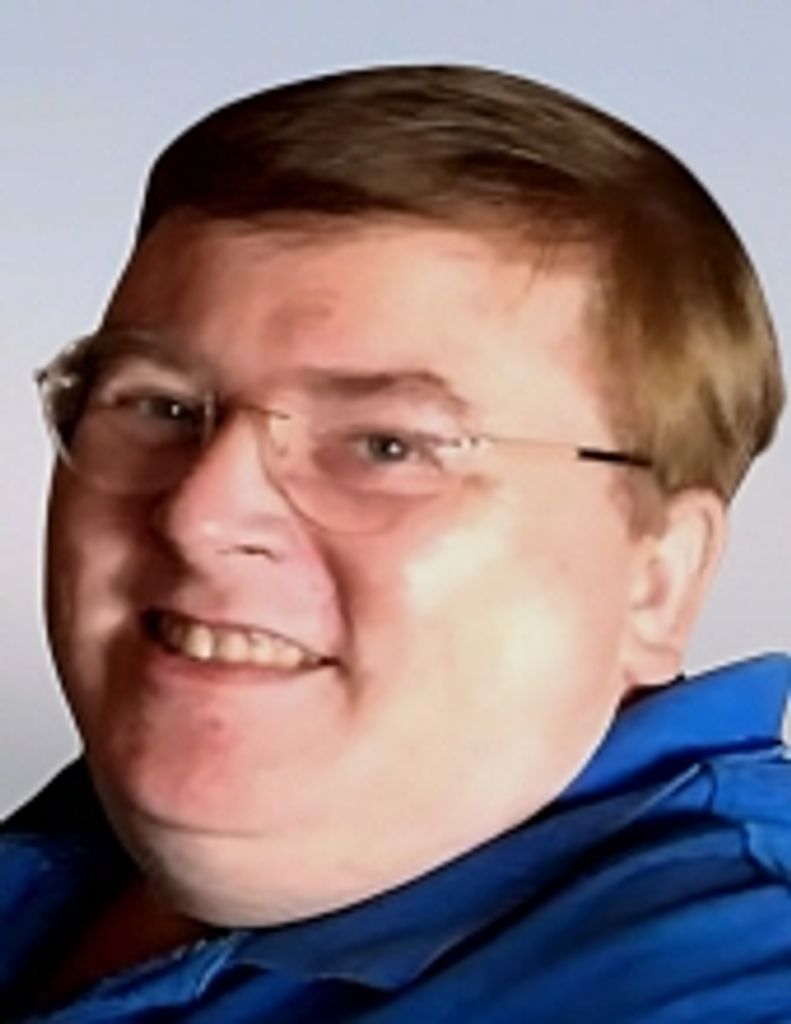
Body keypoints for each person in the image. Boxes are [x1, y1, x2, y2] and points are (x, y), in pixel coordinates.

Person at [2, 63, 788, 1022]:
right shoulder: (82, 857)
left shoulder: (733, 985)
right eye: (160, 407)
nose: (200, 515)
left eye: (386, 445)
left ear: (655, 579)